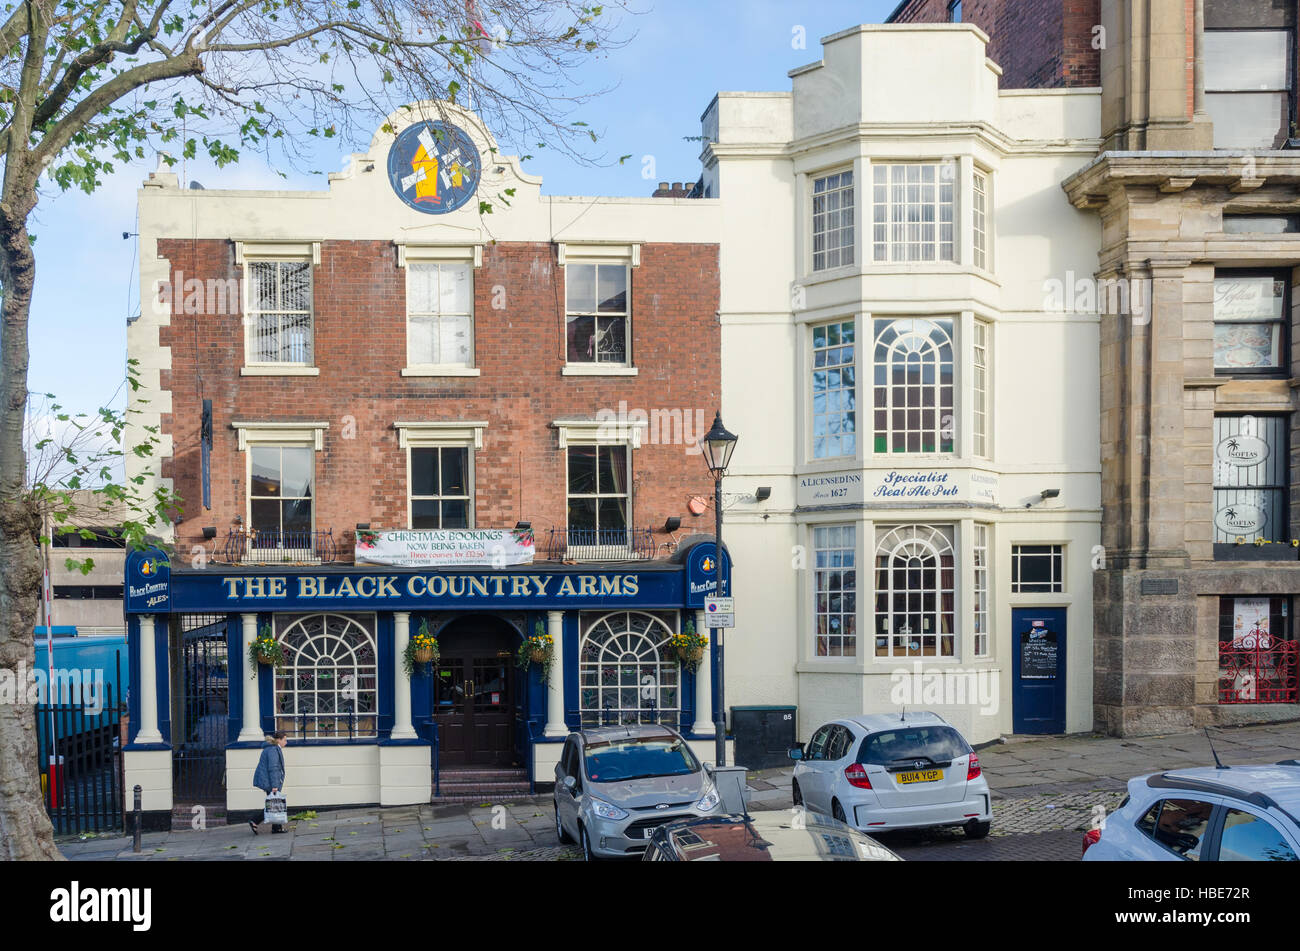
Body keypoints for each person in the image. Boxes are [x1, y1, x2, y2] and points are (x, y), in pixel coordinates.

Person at [250, 730, 288, 835]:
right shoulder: (273, 750)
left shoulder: (272, 748)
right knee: (272, 803)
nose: (286, 742)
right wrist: (275, 785)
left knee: (274, 802)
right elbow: (273, 768)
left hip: (268, 780)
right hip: (270, 782)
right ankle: (255, 821)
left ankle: (277, 828)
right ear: (279, 740)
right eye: (285, 740)